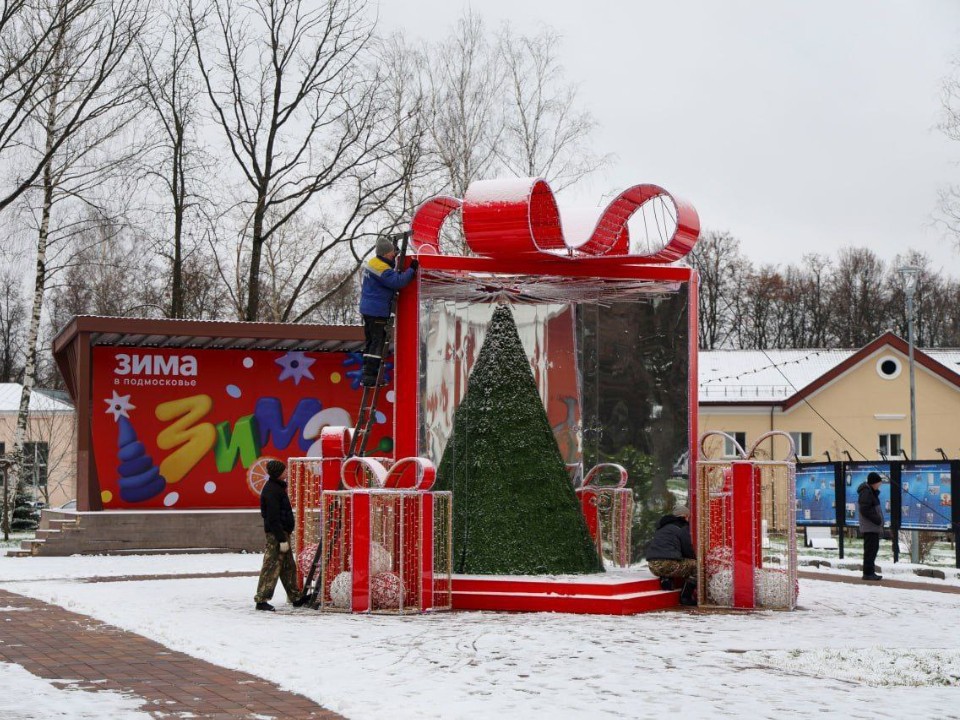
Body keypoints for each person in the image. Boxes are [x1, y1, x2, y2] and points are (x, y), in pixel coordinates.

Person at [358, 236, 418, 387]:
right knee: (377, 342)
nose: (394, 255)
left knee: (371, 341)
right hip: (377, 310)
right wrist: (412, 269)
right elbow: (397, 282)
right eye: (392, 253)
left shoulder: (374, 263)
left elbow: (389, 269)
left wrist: (395, 255)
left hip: (369, 309)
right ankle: (371, 377)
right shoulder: (381, 268)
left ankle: (367, 374)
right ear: (385, 254)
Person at [255, 460, 304, 611]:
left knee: (288, 566)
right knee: (271, 566)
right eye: (284, 470)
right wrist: (281, 539)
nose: (287, 472)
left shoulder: (277, 487)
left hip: (283, 533)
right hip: (277, 535)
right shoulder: (272, 491)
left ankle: (296, 597)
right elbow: (272, 518)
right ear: (278, 473)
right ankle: (261, 599)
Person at [646, 504, 698, 606]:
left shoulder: (662, 527)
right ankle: (685, 597)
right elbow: (687, 549)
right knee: (697, 567)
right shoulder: (682, 527)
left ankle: (666, 579)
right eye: (688, 516)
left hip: (652, 566)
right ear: (685, 516)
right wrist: (694, 558)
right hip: (668, 564)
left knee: (671, 560)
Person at [858, 471, 884, 581]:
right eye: (878, 483)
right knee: (870, 550)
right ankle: (868, 573)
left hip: (873, 527)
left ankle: (870, 572)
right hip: (870, 527)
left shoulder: (871, 491)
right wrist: (877, 519)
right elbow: (864, 509)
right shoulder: (866, 492)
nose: (880, 485)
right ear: (874, 482)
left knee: (873, 550)